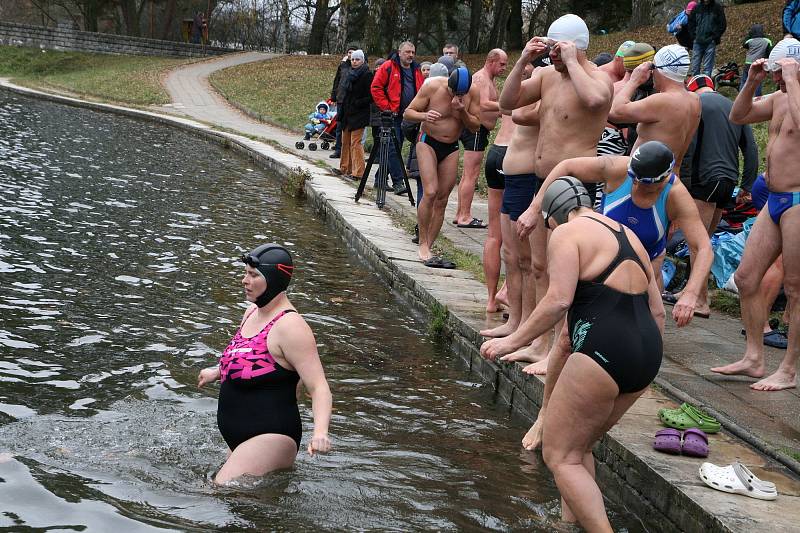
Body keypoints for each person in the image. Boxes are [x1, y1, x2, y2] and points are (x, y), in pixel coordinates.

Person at [481, 177, 664, 531]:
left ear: (552, 216)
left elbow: (559, 300)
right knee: (578, 448)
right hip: (646, 353)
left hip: (606, 348)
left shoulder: (567, 234)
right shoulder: (628, 236)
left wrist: (513, 340)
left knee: (559, 456)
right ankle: (569, 524)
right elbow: (657, 312)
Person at [498, 14, 613, 365]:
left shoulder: (596, 80)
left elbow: (595, 102)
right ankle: (538, 342)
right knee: (538, 266)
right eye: (551, 50)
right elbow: (508, 103)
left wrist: (574, 60)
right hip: (541, 183)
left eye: (558, 49)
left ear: (575, 46)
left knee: (567, 273)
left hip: (575, 187)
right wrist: (522, 62)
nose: (553, 57)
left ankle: (557, 350)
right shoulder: (547, 76)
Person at [520, 141, 714, 331]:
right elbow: (567, 166)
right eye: (634, 179)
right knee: (572, 310)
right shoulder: (617, 169)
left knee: (645, 324)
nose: (636, 186)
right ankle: (548, 352)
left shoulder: (676, 195)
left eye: (645, 184)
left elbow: (703, 247)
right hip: (603, 260)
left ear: (664, 179)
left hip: (645, 266)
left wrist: (691, 293)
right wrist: (534, 208)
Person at [197, 244, 332, 484]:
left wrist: (320, 432)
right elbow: (251, 358)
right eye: (245, 272)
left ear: (274, 279)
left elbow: (318, 386)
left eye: (253, 275)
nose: (244, 280)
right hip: (241, 438)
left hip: (271, 435)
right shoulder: (251, 313)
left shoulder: (290, 327)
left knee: (217, 492)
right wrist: (218, 371)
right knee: (242, 511)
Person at [713, 38, 800, 390]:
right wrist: (751, 81)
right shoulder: (780, 98)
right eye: (775, 74)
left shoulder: (792, 93)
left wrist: (792, 81)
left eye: (780, 74)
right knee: (747, 278)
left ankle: (789, 369)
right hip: (776, 199)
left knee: (795, 289)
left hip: (798, 200)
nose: (777, 80)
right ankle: (753, 357)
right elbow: (739, 115)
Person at [672, 74, 758, 316]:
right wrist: (747, 185)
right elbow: (750, 148)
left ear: (692, 89)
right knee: (704, 241)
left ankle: (700, 300)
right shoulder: (734, 106)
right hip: (727, 182)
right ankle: (692, 291)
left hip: (704, 179)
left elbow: (688, 147)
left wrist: (683, 185)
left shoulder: (696, 105)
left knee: (696, 242)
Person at [403, 67, 480, 268]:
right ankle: (422, 243)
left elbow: (475, 126)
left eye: (461, 94)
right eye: (454, 92)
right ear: (449, 85)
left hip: (452, 146)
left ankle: (429, 245)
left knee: (442, 199)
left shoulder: (472, 94)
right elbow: (408, 113)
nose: (457, 96)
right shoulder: (432, 87)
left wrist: (462, 110)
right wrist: (424, 116)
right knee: (430, 191)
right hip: (427, 141)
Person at [609, 44, 700, 174]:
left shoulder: (663, 101)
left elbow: (614, 111)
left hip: (647, 182)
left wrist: (634, 80)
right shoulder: (694, 100)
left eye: (654, 67)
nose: (652, 72)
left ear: (662, 70)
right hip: (671, 177)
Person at [454, 49, 508, 228]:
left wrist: (503, 112)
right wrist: (507, 106)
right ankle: (465, 216)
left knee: (468, 174)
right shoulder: (481, 78)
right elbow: (484, 104)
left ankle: (460, 213)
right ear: (491, 61)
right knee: (471, 174)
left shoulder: (488, 79)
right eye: (502, 64)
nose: (504, 68)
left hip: (479, 130)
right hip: (476, 129)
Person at [371, 41, 425, 196]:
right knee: (394, 148)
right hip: (393, 115)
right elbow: (376, 87)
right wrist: (387, 107)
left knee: (394, 148)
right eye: (407, 52)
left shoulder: (416, 69)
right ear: (399, 52)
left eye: (413, 52)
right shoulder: (388, 66)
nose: (411, 55)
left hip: (410, 115)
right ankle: (398, 182)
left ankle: (379, 179)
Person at [483, 110, 516, 312]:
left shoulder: (514, 90)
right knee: (517, 235)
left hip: (495, 151)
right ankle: (506, 291)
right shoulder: (539, 85)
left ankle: (490, 300)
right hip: (515, 155)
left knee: (494, 235)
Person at [338, 50, 372, 181]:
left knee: (356, 143)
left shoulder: (367, 74)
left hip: (359, 113)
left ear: (362, 60)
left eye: (357, 59)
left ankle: (359, 172)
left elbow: (370, 96)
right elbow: (344, 92)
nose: (354, 62)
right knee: (345, 141)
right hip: (347, 112)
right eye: (352, 59)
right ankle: (345, 168)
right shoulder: (349, 74)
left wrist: (358, 103)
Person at [330, 45, 358, 159]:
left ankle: (347, 150)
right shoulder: (343, 66)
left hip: (352, 101)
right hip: (341, 99)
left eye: (354, 53)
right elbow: (337, 81)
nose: (351, 55)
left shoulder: (357, 67)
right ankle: (338, 148)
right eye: (349, 52)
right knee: (339, 125)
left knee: (349, 127)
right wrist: (334, 96)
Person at [688, 0, 727, 76]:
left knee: (707, 68)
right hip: (697, 41)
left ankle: (705, 86)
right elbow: (691, 23)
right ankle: (695, 85)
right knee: (695, 67)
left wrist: (715, 37)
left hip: (710, 42)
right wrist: (694, 36)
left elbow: (722, 25)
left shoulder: (717, 8)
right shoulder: (696, 8)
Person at [740, 25, 773, 96]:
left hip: (748, 63)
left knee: (744, 81)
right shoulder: (767, 41)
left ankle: (741, 95)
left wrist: (749, 35)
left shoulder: (750, 41)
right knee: (758, 81)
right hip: (758, 63)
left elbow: (744, 44)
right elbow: (769, 53)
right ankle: (757, 97)